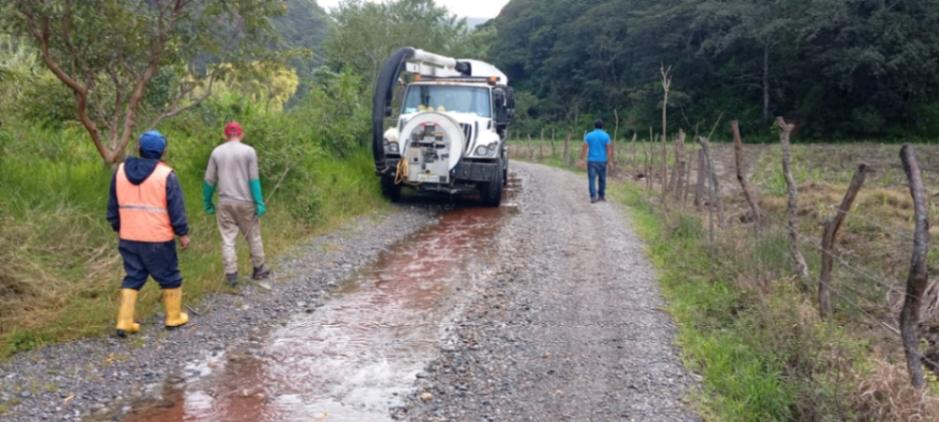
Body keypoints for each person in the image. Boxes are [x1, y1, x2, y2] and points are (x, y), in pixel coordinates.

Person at [107, 130, 190, 337]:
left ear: (139, 149)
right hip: (158, 239)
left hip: (129, 237)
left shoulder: (120, 171)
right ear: (163, 151)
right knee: (170, 276)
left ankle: (124, 322)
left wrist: (118, 228)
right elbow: (176, 209)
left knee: (133, 277)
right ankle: (173, 317)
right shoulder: (166, 175)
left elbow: (113, 206)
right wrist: (183, 234)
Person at [203, 121, 270, 286]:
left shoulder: (216, 152)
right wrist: (259, 203)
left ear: (225, 135)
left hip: (225, 202)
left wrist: (207, 201)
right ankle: (259, 269)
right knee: (253, 236)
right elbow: (254, 180)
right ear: (241, 134)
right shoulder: (249, 151)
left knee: (227, 239)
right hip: (246, 202)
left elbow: (209, 180)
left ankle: (232, 275)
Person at [580, 119, 613, 203]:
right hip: (602, 161)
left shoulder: (588, 135)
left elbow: (584, 148)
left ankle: (593, 197)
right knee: (602, 179)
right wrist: (609, 161)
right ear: (602, 126)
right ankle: (601, 196)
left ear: (594, 126)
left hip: (591, 161)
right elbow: (609, 149)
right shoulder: (606, 136)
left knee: (592, 179)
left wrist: (582, 159)